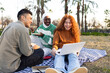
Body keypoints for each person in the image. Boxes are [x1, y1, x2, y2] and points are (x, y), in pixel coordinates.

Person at [0, 9, 44, 73]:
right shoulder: (22, 28)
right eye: (30, 18)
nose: (31, 21)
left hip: (2, 65)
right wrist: (34, 47)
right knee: (40, 52)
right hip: (11, 67)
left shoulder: (9, 25)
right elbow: (27, 52)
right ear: (23, 18)